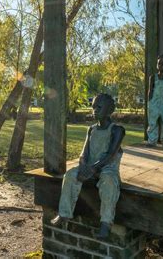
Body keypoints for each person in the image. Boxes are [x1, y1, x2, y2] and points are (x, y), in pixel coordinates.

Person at [51, 93, 125, 239]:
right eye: (93, 107)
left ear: (110, 109)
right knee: (70, 175)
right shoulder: (91, 129)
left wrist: (92, 169)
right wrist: (83, 165)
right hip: (90, 167)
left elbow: (110, 155)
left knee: (109, 183)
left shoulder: (117, 130)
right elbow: (83, 153)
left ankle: (106, 222)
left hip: (107, 169)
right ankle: (64, 213)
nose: (95, 110)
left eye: (99, 107)